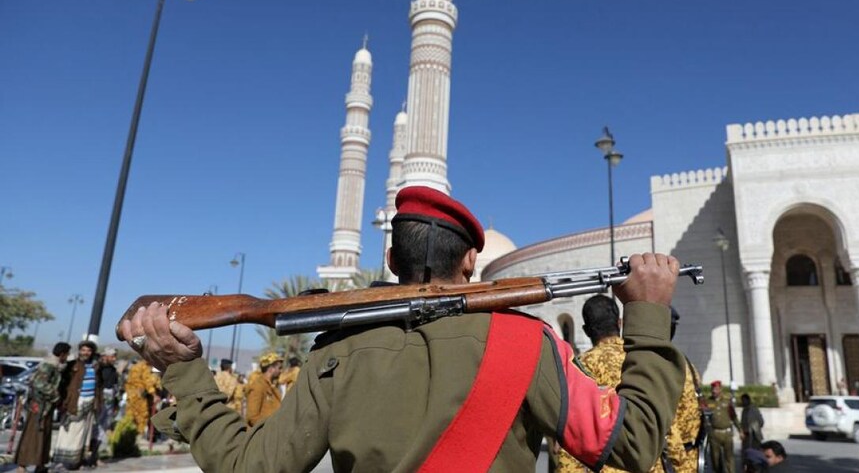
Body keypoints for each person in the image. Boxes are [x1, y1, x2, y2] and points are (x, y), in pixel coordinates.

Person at [120, 186, 688, 472]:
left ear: (391, 259)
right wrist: (650, 313)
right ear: (471, 264)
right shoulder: (528, 345)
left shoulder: (334, 356)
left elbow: (250, 466)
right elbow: (633, 443)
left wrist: (186, 371)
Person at [557, 298, 703, 473]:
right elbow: (665, 424)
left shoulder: (578, 368)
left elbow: (574, 436)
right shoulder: (645, 358)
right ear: (619, 323)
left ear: (586, 330)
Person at [14, 342, 70, 473]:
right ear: (62, 354)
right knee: (32, 436)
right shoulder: (48, 366)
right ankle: (22, 466)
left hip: (47, 407)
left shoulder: (56, 366)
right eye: (66, 354)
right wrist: (55, 396)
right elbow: (38, 383)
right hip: (39, 407)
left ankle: (40, 464)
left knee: (44, 436)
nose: (67, 357)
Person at [52, 340, 102, 470]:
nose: (86, 353)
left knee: (83, 434)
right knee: (68, 433)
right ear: (79, 351)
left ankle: (77, 461)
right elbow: (62, 381)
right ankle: (61, 462)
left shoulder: (95, 366)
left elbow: (99, 386)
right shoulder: (72, 365)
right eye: (83, 350)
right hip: (74, 403)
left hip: (89, 403)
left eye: (89, 350)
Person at [707, 380, 740, 473]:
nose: (714, 391)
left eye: (716, 389)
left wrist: (740, 430)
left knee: (729, 458)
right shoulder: (708, 401)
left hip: (726, 433)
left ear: (720, 389)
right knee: (715, 459)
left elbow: (733, 416)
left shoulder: (727, 401)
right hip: (714, 433)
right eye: (713, 389)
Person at [244, 352, 283, 426]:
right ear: (271, 369)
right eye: (279, 368)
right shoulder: (258, 386)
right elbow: (252, 417)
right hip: (261, 434)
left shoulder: (271, 386)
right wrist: (267, 430)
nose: (281, 371)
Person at [124, 359, 160, 435]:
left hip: (131, 395)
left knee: (130, 416)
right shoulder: (145, 367)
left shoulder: (137, 365)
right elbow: (148, 382)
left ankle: (128, 433)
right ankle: (138, 435)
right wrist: (154, 395)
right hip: (139, 396)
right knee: (141, 417)